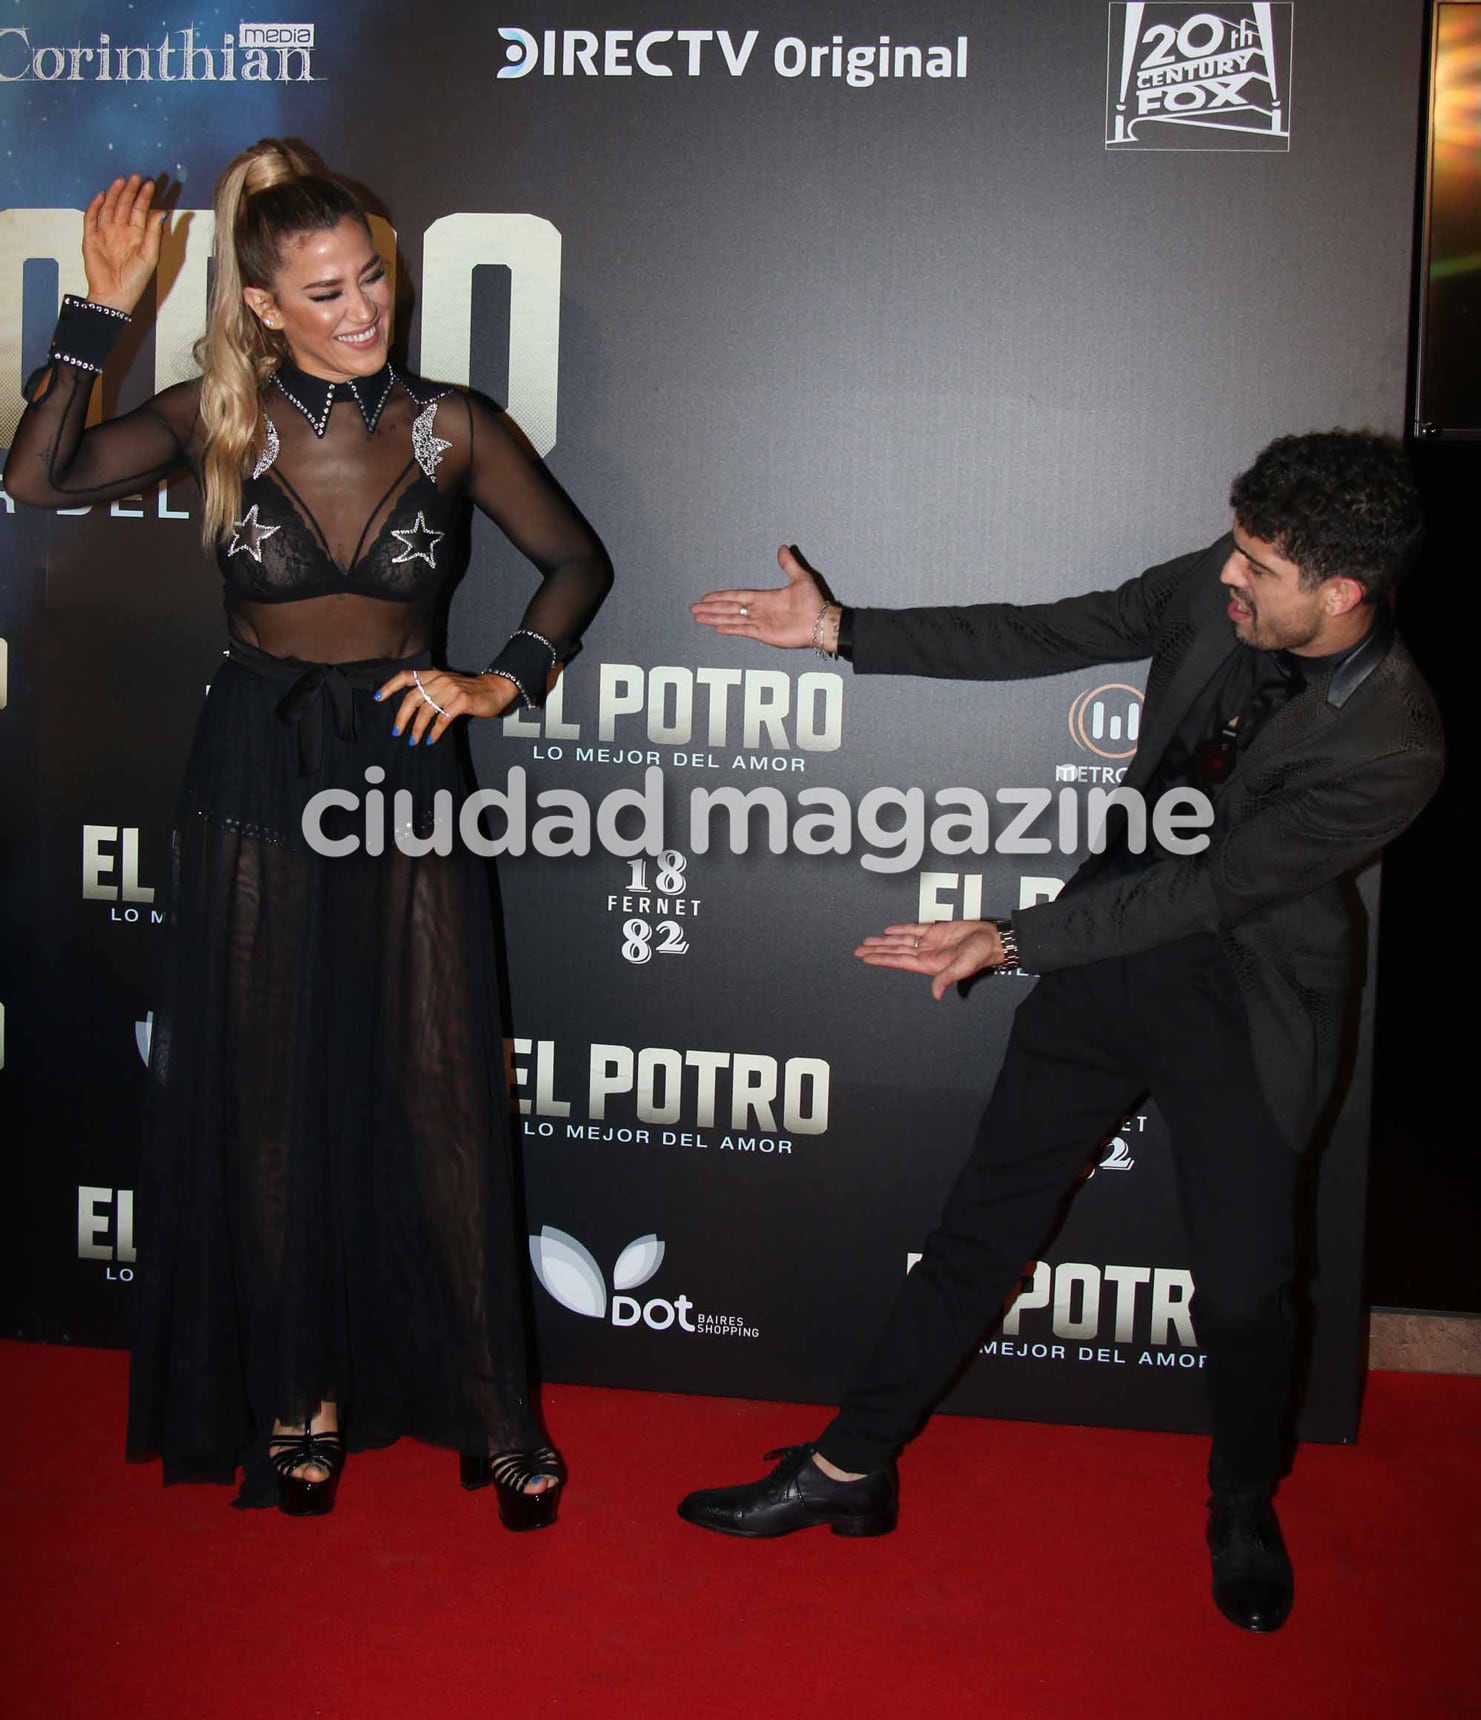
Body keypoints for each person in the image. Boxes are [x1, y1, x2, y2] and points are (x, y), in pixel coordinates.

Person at [680, 432, 1443, 1630]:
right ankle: (848, 1465)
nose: (1223, 574)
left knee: (1244, 1293)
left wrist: (1018, 936)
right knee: (980, 1221)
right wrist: (840, 634)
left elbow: (1213, 891)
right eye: (1232, 545)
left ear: (1340, 592)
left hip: (1241, 996)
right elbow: (1049, 630)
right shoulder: (1222, 584)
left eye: (1254, 564)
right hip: (1103, 957)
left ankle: (1241, 1498)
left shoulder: (1391, 742)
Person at [4, 142, 613, 1523]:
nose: (361, 310)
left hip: (402, 764)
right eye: (325, 291)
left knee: (438, 1086)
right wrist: (97, 311)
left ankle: (490, 1408)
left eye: (374, 280)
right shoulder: (216, 418)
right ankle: (299, 1395)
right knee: (272, 1092)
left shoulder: (453, 426)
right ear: (264, 303)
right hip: (258, 768)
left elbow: (577, 561)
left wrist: (499, 678)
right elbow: (38, 481)